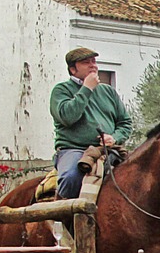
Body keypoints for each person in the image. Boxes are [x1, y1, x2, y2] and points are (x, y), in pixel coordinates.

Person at [50, 46, 133, 199]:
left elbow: (125, 123)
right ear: (73, 69)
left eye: (94, 61)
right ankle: (71, 219)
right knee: (70, 178)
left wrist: (114, 137)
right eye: (86, 62)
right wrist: (86, 88)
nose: (93, 65)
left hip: (110, 150)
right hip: (75, 150)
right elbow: (68, 117)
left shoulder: (108, 91)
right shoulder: (61, 90)